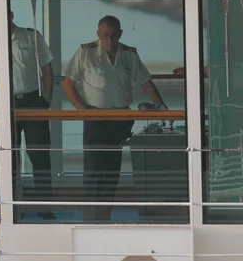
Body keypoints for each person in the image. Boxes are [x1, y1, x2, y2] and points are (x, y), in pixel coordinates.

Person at [63, 15, 167, 222]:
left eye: (113, 36)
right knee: (93, 169)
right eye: (104, 36)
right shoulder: (85, 53)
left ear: (119, 34)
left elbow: (145, 82)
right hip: (95, 117)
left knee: (111, 170)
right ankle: (91, 218)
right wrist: (83, 110)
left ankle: (104, 216)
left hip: (120, 117)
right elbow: (68, 84)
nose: (109, 40)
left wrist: (161, 105)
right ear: (98, 35)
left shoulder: (129, 54)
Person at [0, 12, 55, 220]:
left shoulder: (31, 37)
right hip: (4, 104)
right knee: (9, 157)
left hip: (33, 101)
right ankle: (12, 209)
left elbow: (47, 69)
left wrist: (46, 99)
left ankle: (45, 206)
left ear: (10, 15)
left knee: (40, 156)